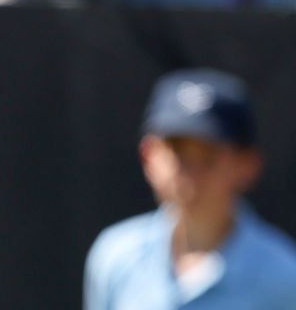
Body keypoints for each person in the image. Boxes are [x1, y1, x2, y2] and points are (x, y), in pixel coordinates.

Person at [84, 68, 296, 309]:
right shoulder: (115, 256)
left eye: (209, 156)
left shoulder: (283, 278)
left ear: (246, 165)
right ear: (148, 157)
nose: (191, 173)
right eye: (178, 152)